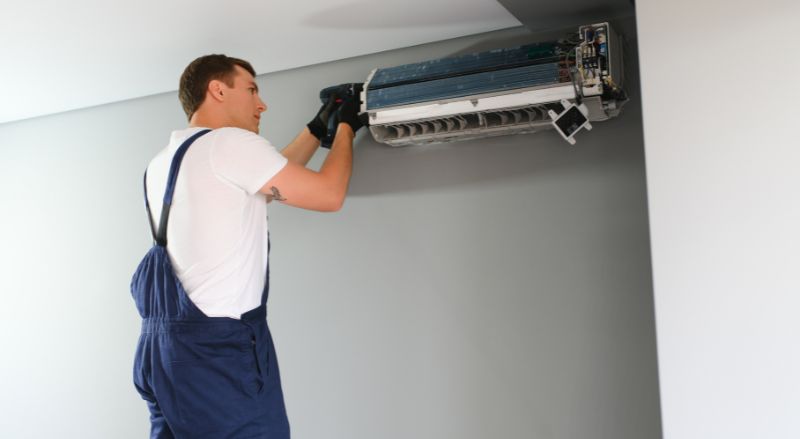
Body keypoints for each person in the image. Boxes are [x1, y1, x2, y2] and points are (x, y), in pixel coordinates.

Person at [130, 54, 365, 438]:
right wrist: (346, 128)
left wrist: (316, 128)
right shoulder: (229, 144)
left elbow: (265, 184)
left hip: (161, 354)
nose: (262, 104)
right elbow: (328, 194)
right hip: (217, 355)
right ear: (218, 90)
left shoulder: (164, 161)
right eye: (252, 90)